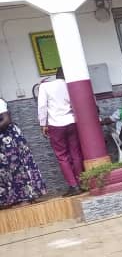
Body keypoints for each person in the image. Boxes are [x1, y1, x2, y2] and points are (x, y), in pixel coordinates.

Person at [37, 67, 83, 196]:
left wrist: (43, 124)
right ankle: (81, 182)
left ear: (56, 75)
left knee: (62, 156)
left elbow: (42, 106)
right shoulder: (70, 85)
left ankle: (73, 186)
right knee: (76, 153)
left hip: (56, 124)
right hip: (72, 121)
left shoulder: (45, 86)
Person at [0, 98, 46, 208]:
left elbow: (6, 120)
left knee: (18, 168)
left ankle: (26, 198)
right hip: (3, 140)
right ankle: (16, 199)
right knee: (7, 171)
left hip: (9, 139)